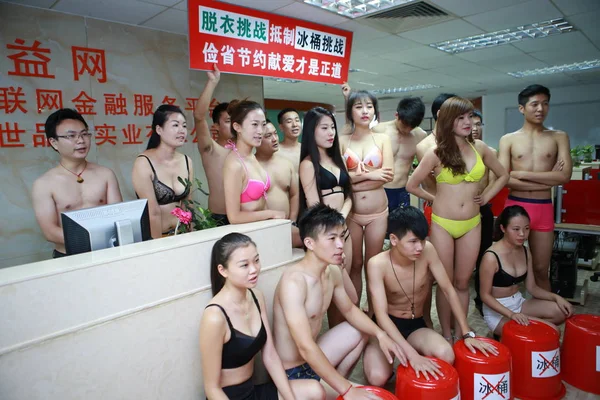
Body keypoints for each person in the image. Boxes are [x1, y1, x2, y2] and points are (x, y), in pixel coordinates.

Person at [272, 204, 403, 400]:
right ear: (309, 243)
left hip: (313, 360)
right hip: (291, 374)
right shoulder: (294, 282)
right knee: (359, 396)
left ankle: (336, 384)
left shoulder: (331, 271)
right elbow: (305, 346)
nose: (341, 245)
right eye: (332, 239)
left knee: (360, 329)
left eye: (342, 237)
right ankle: (339, 389)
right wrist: (349, 390)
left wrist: (380, 333)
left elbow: (350, 309)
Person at [406, 97, 508, 342]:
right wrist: (435, 197)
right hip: (443, 222)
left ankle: (464, 334)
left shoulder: (481, 148)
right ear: (448, 122)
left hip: (472, 222)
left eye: (470, 117)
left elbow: (503, 174)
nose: (468, 122)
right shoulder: (436, 153)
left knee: (463, 282)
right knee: (446, 282)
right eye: (460, 118)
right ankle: (446, 332)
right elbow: (411, 185)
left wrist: (486, 197)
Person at [364, 206, 498, 385]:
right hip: (386, 327)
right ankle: (393, 356)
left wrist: (467, 332)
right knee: (377, 377)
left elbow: (448, 290)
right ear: (394, 239)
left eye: (422, 240)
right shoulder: (377, 264)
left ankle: (412, 353)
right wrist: (412, 356)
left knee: (446, 355)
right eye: (412, 241)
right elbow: (380, 315)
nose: (419, 247)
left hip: (414, 325)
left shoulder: (428, 250)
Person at [199, 233, 296, 400]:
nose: (254, 269)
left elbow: (270, 354)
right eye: (244, 265)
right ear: (223, 270)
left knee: (314, 391)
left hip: (252, 391)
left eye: (256, 261)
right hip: (226, 396)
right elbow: (211, 388)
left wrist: (290, 398)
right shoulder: (214, 316)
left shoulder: (256, 297)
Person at [499, 84, 572, 291]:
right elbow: (503, 178)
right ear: (522, 108)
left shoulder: (559, 137)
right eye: (535, 104)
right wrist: (550, 177)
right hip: (516, 206)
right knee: (509, 267)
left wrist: (521, 174)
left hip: (543, 207)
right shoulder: (509, 140)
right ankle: (511, 310)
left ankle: (545, 313)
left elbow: (564, 176)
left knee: (541, 268)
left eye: (545, 104)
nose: (541, 109)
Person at [32, 108, 123, 257]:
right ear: (54, 142)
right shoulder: (44, 184)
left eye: (84, 134)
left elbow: (118, 216)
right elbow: (50, 231)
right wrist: (93, 240)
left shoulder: (106, 174)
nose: (80, 140)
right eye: (71, 136)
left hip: (107, 253)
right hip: (69, 256)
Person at [298, 106, 357, 327]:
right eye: (324, 128)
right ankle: (338, 333)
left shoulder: (337, 159)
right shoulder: (307, 165)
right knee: (346, 294)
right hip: (327, 236)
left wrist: (342, 216)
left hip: (344, 230)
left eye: (332, 127)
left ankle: (341, 333)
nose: (331, 132)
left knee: (341, 288)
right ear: (312, 131)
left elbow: (349, 194)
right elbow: (314, 206)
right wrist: (335, 225)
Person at [479, 206, 573, 337]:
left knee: (561, 312)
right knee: (553, 331)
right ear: (503, 228)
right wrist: (512, 315)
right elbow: (485, 295)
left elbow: (532, 287)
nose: (522, 234)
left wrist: (557, 298)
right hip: (498, 312)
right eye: (516, 229)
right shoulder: (491, 257)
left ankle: (518, 334)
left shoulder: (525, 250)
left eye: (526, 228)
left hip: (519, 303)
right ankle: (506, 334)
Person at [340, 90, 394, 307]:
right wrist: (372, 174)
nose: (365, 111)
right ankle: (354, 312)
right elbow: (341, 179)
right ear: (350, 111)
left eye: (369, 106)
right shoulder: (342, 140)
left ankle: (374, 312)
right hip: (352, 213)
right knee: (354, 264)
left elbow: (387, 175)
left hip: (377, 213)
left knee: (373, 264)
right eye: (359, 106)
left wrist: (358, 177)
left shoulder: (382, 139)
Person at [342, 84, 427, 218]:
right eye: (405, 125)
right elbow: (351, 132)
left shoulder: (420, 135)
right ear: (397, 115)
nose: (407, 130)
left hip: (402, 191)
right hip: (379, 188)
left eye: (412, 127)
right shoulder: (379, 130)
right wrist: (348, 100)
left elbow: (424, 167)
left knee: (400, 233)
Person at [132, 104, 193, 238]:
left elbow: (188, 205)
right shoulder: (143, 162)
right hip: (157, 237)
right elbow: (152, 212)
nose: (182, 130)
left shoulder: (186, 161)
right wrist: (158, 247)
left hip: (181, 234)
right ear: (159, 129)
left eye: (184, 125)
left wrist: (191, 235)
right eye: (175, 125)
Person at [223, 99, 285, 224]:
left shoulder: (252, 156)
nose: (260, 131)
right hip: (248, 235)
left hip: (263, 228)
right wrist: (271, 214)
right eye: (254, 124)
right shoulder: (234, 165)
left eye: (263, 125)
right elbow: (234, 217)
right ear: (237, 127)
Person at [193, 64, 232, 226]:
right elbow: (199, 116)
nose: (234, 125)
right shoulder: (210, 149)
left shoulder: (246, 150)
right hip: (219, 217)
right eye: (228, 121)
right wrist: (212, 82)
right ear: (215, 126)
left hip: (246, 215)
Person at [256, 120, 302, 248]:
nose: (274, 139)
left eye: (275, 133)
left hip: (287, 226)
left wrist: (292, 221)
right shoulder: (252, 166)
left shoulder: (286, 164)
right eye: (268, 136)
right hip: (262, 228)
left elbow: (294, 194)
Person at [415, 93, 456, 229]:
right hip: (437, 207)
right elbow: (429, 184)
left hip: (463, 207)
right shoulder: (424, 146)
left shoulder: (460, 142)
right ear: (440, 113)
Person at [471, 109, 498, 313]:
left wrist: (484, 198)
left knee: (483, 254)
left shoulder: (489, 151)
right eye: (470, 123)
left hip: (483, 209)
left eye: (478, 123)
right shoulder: (456, 151)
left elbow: (496, 179)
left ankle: (482, 298)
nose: (474, 128)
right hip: (460, 212)